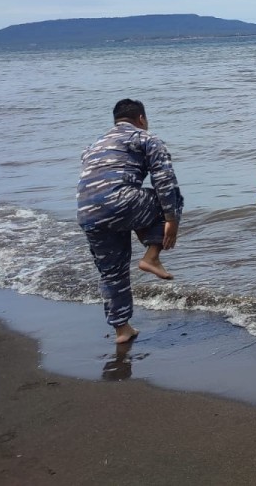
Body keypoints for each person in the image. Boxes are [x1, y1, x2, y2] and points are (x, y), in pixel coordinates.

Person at [77, 98, 183, 344]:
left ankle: (122, 330)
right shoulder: (145, 138)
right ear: (142, 119)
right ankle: (151, 256)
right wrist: (171, 220)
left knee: (112, 272)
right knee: (171, 196)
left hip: (87, 212)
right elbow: (165, 180)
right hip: (120, 202)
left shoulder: (93, 145)